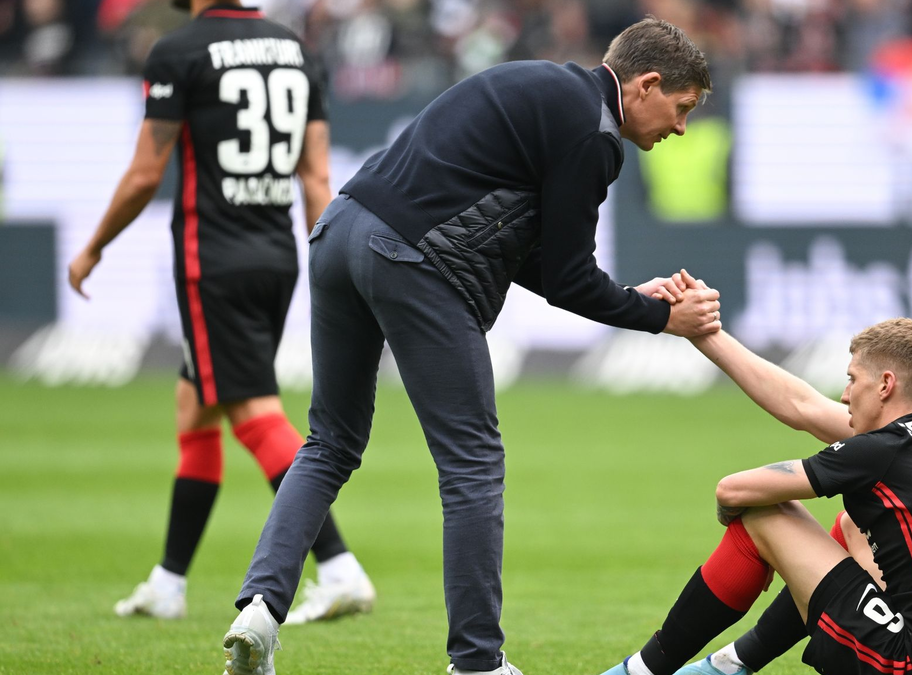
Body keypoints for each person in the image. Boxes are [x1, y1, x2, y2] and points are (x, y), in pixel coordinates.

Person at [220, 17, 722, 675]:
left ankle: (259, 608)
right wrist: (664, 319)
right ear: (647, 83)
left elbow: (525, 253)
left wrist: (638, 298)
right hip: (411, 261)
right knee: (472, 463)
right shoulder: (596, 137)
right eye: (680, 108)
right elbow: (571, 279)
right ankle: (478, 662)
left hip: (338, 233)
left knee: (329, 442)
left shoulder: (541, 83)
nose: (680, 127)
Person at [67, 0, 374, 625]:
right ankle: (169, 581)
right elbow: (316, 177)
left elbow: (145, 173)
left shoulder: (178, 51)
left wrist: (95, 245)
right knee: (196, 399)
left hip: (213, 260)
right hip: (277, 257)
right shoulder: (296, 51)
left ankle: (340, 566)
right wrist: (333, 262)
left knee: (252, 412)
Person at [600, 316, 912, 675]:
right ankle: (730, 663)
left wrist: (743, 526)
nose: (845, 395)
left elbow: (732, 489)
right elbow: (803, 406)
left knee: (764, 514)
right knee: (852, 526)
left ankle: (644, 671)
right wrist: (704, 333)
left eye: (852, 380)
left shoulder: (880, 451)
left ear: (885, 385)